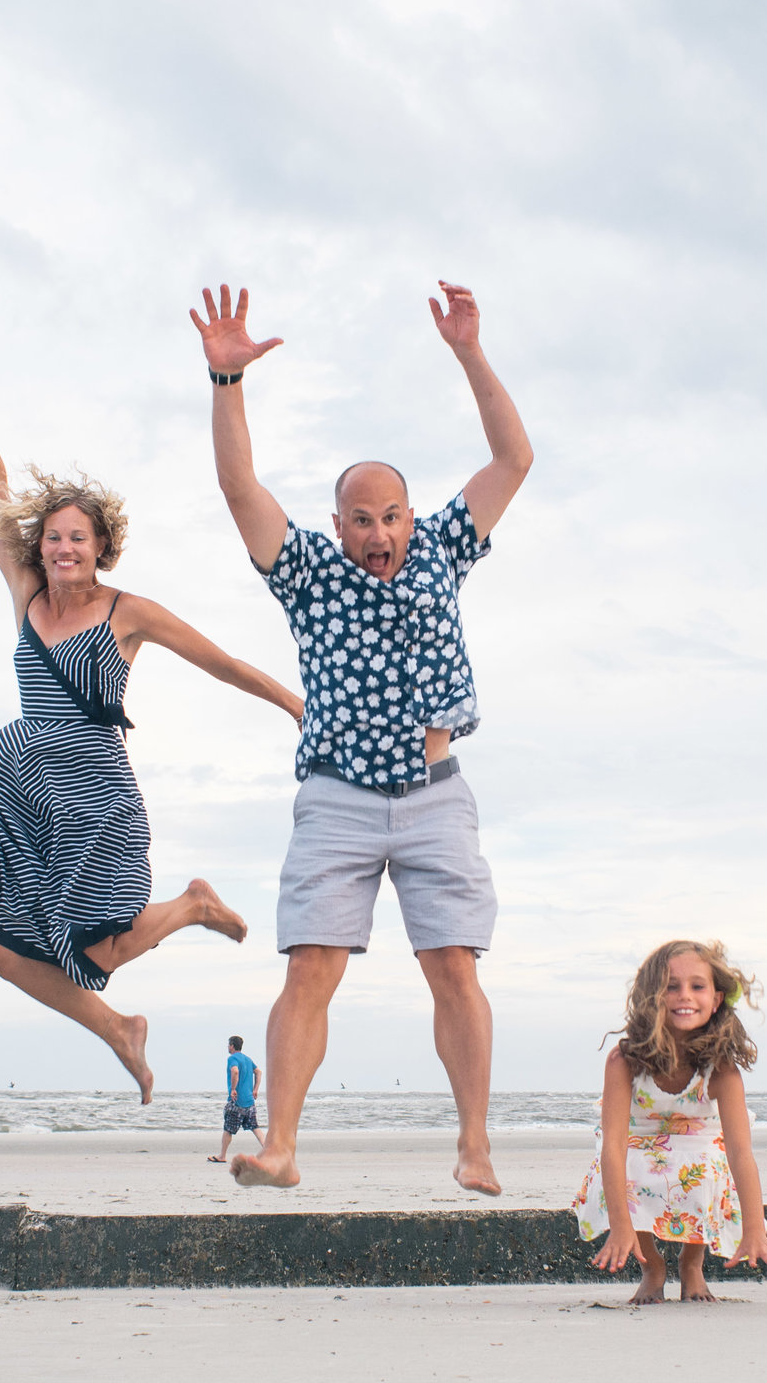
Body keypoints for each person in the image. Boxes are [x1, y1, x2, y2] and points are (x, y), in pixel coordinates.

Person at [191, 280, 533, 1195]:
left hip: (434, 793)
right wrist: (228, 383)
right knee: (310, 966)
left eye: (391, 516)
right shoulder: (306, 570)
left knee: (454, 967)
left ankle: (474, 1144)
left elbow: (513, 458)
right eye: (361, 519)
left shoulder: (443, 547)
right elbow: (237, 488)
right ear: (337, 523)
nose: (377, 532)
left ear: (411, 519)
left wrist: (468, 351)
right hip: (338, 795)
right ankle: (280, 1145)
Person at [0, 347, 306, 1105]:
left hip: (95, 791)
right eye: (52, 537)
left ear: (101, 544)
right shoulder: (26, 594)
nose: (62, 547)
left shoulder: (126, 612)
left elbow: (222, 661)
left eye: (77, 537)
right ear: (37, 545)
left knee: (97, 943)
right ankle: (117, 1027)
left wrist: (295, 704)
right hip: (26, 787)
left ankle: (190, 906)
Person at [573, 940, 767, 1302]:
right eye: (671, 986)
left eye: (697, 986)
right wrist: (621, 1225)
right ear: (650, 997)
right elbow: (612, 1145)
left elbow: (740, 1151)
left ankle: (692, 1262)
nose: (684, 996)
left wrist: (755, 1227)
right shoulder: (624, 1060)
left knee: (705, 1169)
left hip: (700, 1139)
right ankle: (652, 1266)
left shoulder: (721, 1068)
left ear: (717, 999)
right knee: (627, 1167)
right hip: (637, 1138)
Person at [211, 1035, 261, 1163]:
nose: (228, 1047)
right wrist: (255, 1089)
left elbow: (235, 1072)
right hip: (250, 1102)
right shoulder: (248, 1060)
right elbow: (259, 1072)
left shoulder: (232, 1058)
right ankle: (269, 1151)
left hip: (237, 1102)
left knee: (228, 1129)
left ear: (232, 1046)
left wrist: (233, 1089)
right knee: (255, 1127)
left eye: (228, 1045)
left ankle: (222, 1156)